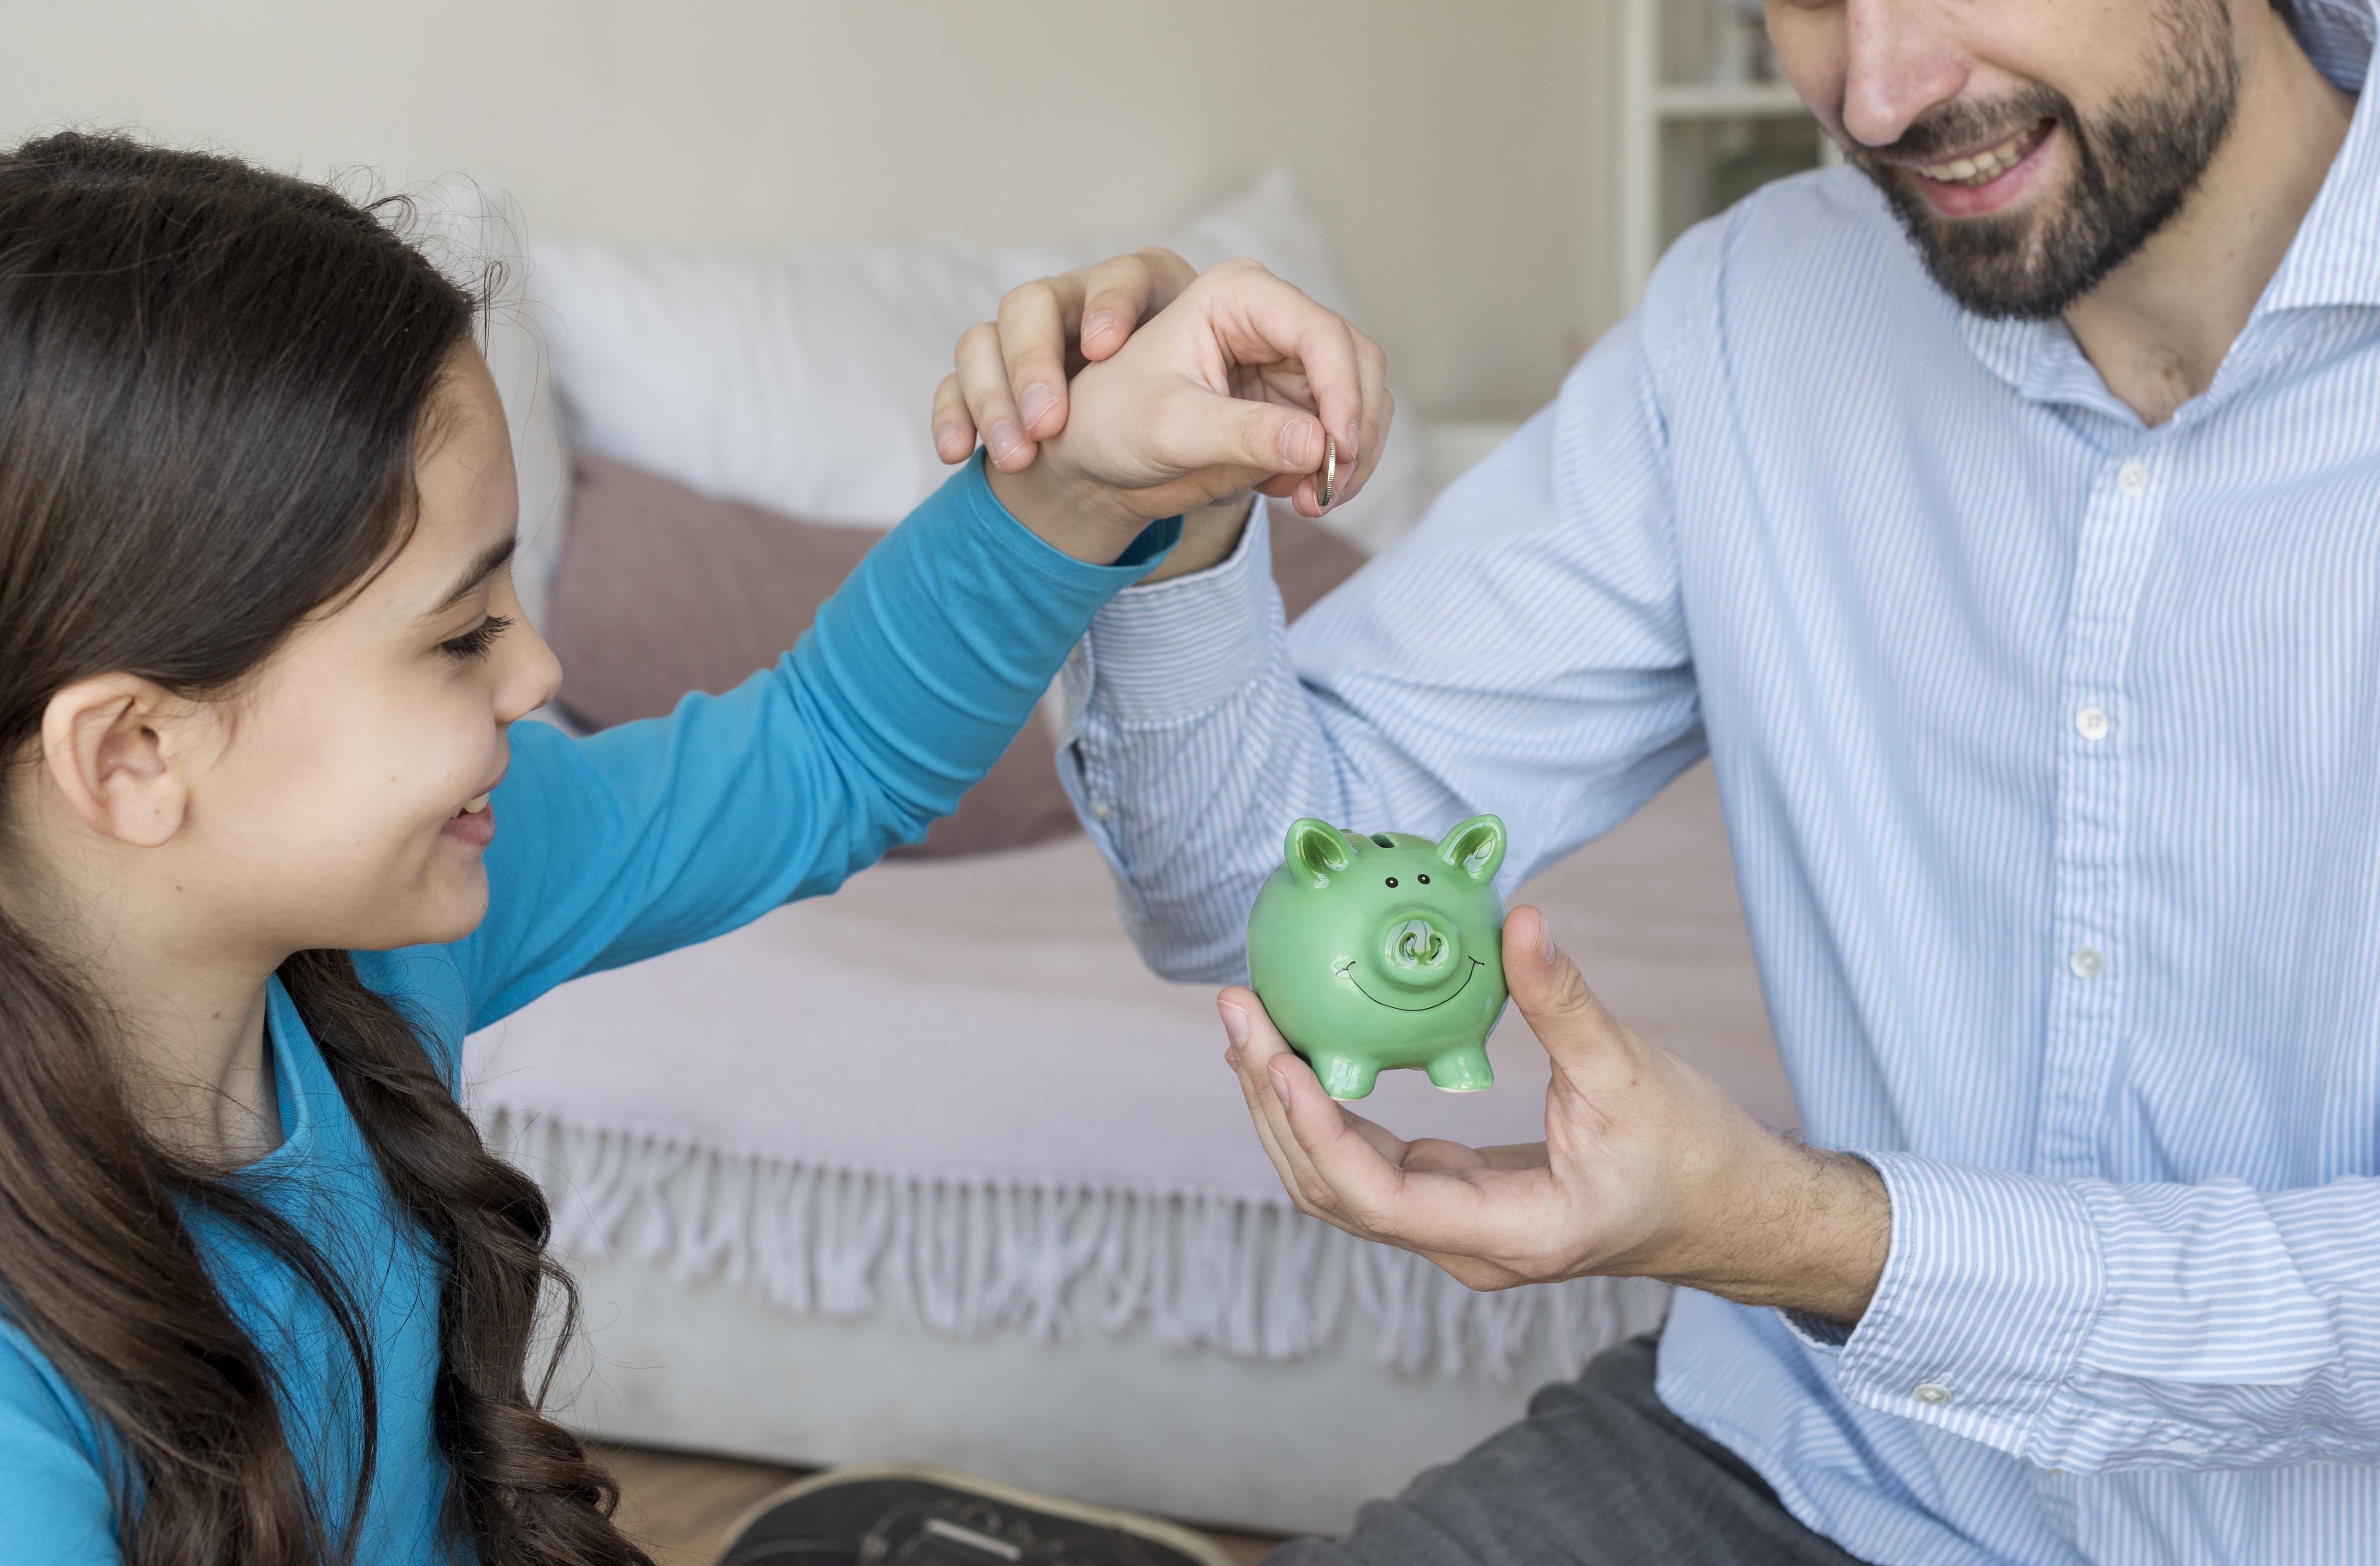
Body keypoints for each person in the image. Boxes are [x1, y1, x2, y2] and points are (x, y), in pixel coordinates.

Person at [0, 133, 1393, 1566]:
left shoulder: (340, 929)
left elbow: (814, 757)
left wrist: (1087, 484)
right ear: (134, 752)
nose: (539, 672)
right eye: (458, 636)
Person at [913, 0, 2380, 1562]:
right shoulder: (1755, 311)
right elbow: (1253, 903)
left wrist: (1807, 1238)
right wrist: (1178, 515)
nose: (1875, 95)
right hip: (1821, 1464)